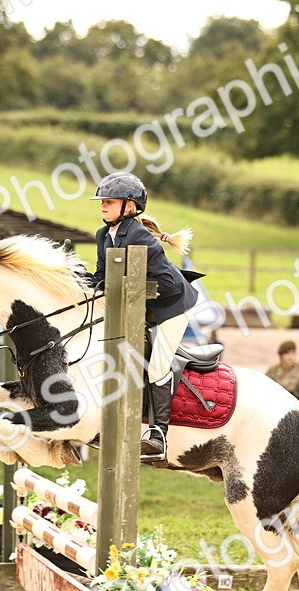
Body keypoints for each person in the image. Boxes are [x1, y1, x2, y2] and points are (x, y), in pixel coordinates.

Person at [90, 172, 199, 462]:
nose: (102, 206)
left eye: (109, 202)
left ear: (129, 206)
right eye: (102, 201)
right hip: (143, 306)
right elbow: (102, 277)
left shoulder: (139, 236)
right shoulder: (103, 235)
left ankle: (158, 434)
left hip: (172, 307)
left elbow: (168, 284)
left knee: (158, 366)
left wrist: (124, 289)